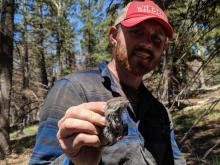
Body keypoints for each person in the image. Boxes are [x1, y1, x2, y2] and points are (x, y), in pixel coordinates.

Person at [29, 0, 186, 164]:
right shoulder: (73, 89)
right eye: (137, 31)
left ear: (163, 47)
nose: (147, 44)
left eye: (156, 38)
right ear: (113, 36)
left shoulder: (160, 112)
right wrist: (76, 162)